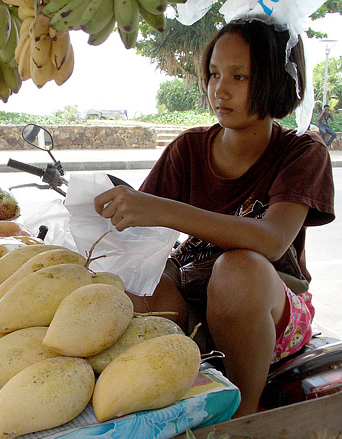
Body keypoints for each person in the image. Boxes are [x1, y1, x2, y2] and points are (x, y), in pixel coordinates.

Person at [94, 17, 335, 417]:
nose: (219, 89)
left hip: (266, 307)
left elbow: (272, 240)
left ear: (277, 80)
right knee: (128, 291)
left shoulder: (302, 152)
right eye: (213, 74)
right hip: (192, 294)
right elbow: (139, 235)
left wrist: (165, 209)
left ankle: (246, 419)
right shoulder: (188, 148)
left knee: (237, 269)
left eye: (239, 77)